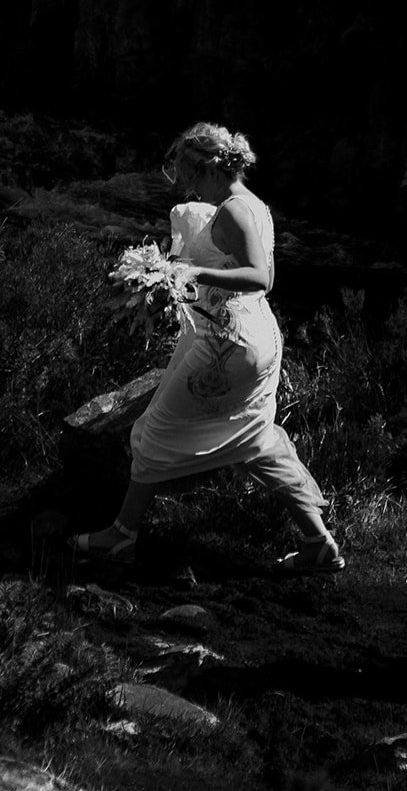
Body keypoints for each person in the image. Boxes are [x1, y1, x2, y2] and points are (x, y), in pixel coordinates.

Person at [70, 122, 345, 574]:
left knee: (154, 432)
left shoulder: (234, 210)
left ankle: (120, 537)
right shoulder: (254, 206)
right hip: (259, 342)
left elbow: (263, 279)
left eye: (191, 177)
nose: (188, 187)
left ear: (211, 169)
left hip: (227, 345)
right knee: (253, 439)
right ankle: (319, 544)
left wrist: (192, 275)